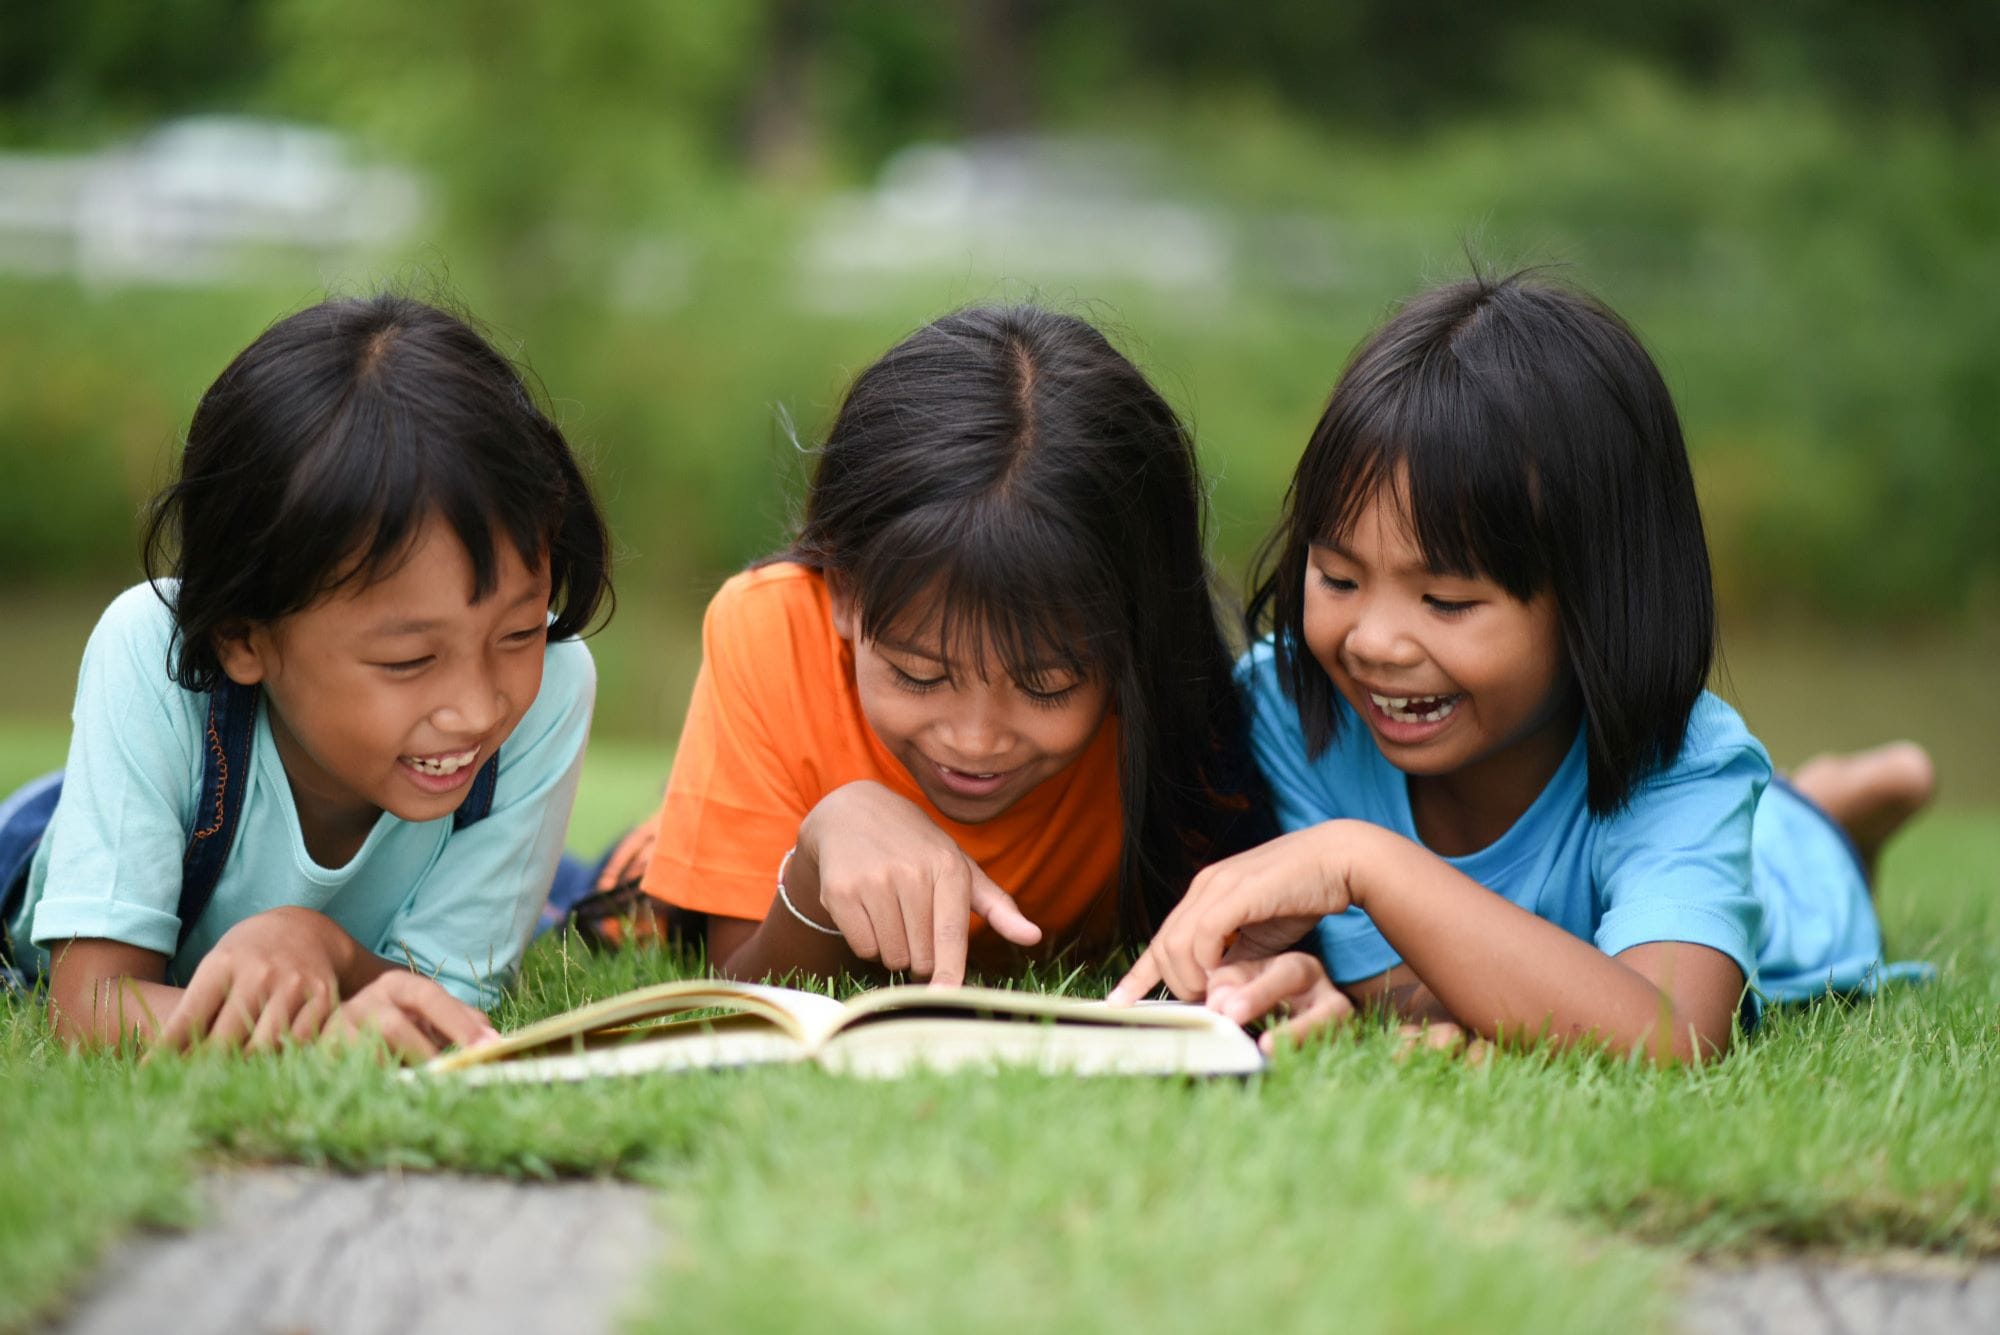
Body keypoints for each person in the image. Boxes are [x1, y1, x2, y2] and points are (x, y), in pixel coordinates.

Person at [1110, 273, 1934, 1063]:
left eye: (1447, 600)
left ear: (1599, 598)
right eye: (1338, 578)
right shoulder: (1292, 708)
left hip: (1786, 882)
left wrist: (1365, 859)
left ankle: (1834, 816)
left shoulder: (1684, 768)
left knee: (1790, 845)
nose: (1375, 642)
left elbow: (1672, 1033)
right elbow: (1395, 986)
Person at [0, 293, 611, 1058]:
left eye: (517, 631)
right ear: (242, 634)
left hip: (338, 906)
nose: (477, 707)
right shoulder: (149, 648)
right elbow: (88, 1007)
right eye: (409, 660)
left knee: (578, 898)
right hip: (50, 842)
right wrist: (322, 1028)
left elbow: (445, 1008)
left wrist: (320, 945)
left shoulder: (550, 687)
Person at [632, 305, 1268, 987]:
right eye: (919, 675)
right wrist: (819, 860)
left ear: (1133, 641)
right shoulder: (774, 630)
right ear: (844, 591)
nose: (974, 739)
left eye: (1045, 685)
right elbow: (741, 985)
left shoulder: (1178, 713)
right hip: (646, 884)